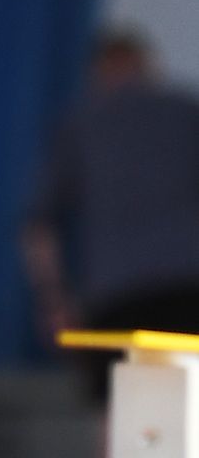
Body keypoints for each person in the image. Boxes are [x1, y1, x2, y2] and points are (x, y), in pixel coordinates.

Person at [25, 28, 199, 401]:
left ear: (98, 73)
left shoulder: (80, 122)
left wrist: (54, 302)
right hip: (188, 286)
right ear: (149, 68)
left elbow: (40, 225)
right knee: (190, 405)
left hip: (116, 295)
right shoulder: (187, 112)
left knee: (119, 410)